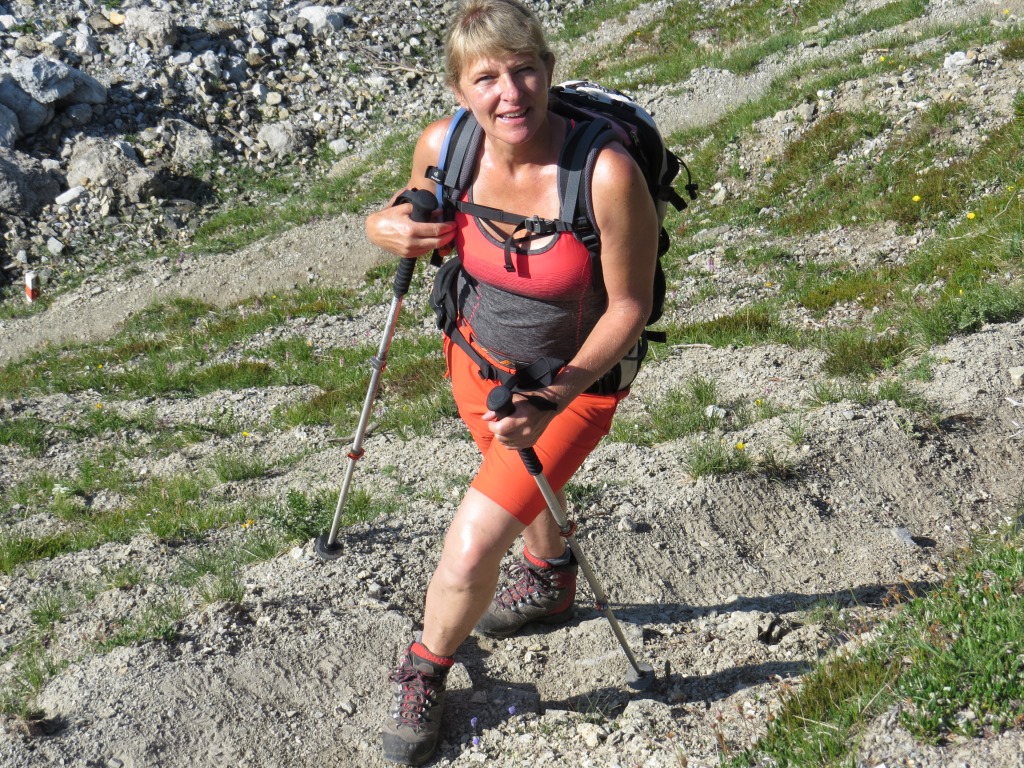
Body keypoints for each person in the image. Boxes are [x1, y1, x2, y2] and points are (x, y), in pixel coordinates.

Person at [364, 0, 658, 763]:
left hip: (570, 388)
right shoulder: (447, 143)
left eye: (524, 70)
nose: (509, 93)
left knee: (470, 549)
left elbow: (630, 307)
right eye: (486, 78)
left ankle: (425, 669)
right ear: (459, 90)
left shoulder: (604, 174)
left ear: (549, 71)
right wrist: (381, 224)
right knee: (521, 489)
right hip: (473, 361)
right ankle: (550, 576)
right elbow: (413, 209)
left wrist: (553, 396)